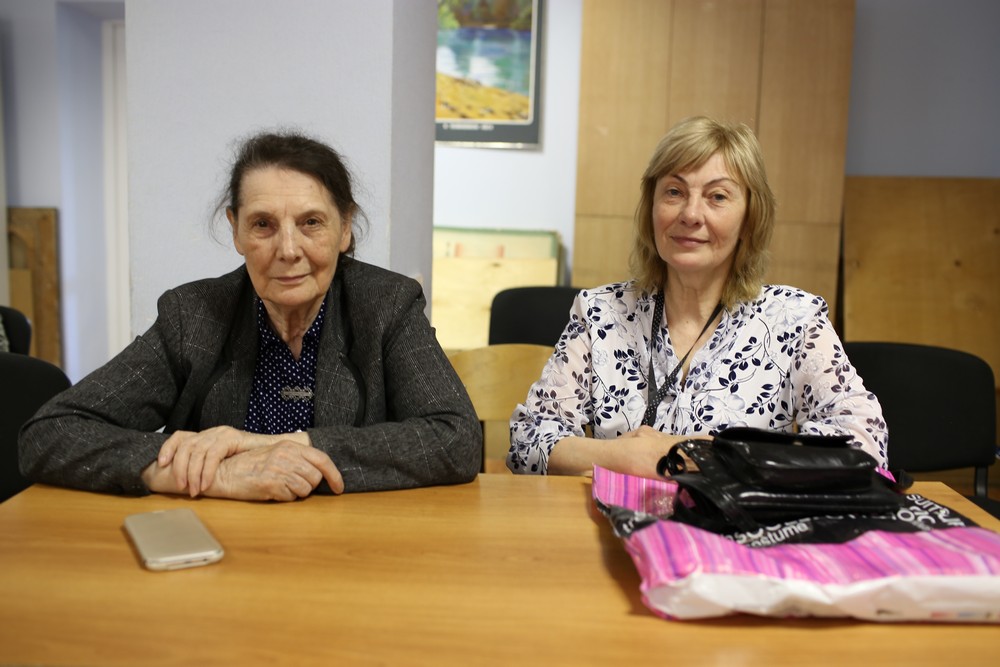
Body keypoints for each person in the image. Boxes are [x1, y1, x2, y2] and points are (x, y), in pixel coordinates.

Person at [20, 130, 482, 500]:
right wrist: (209, 475)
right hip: (219, 551)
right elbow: (48, 434)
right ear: (236, 231)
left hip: (348, 550)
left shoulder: (385, 305)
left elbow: (457, 439)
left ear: (344, 228)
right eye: (263, 224)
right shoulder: (193, 316)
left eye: (311, 223)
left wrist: (268, 446)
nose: (288, 250)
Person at [508, 116, 887, 476]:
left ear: (749, 219)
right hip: (619, 518)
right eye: (674, 192)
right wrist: (620, 456)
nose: (690, 214)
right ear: (652, 207)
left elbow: (864, 445)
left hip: (737, 522)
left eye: (717, 196)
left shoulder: (795, 321)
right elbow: (527, 440)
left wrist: (703, 456)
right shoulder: (600, 314)